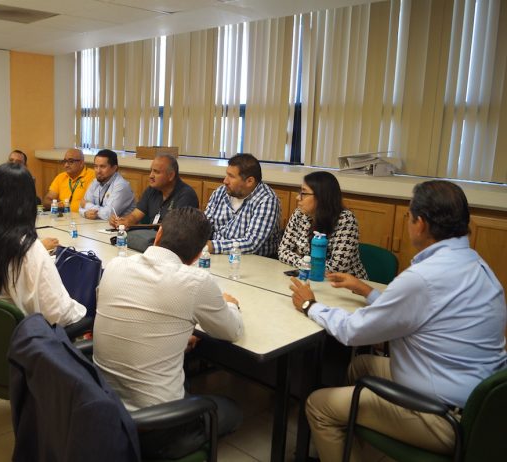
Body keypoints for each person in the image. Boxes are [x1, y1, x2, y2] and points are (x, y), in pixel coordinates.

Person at [289, 180, 507, 462]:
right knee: (360, 365)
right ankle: (352, 447)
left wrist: (310, 305)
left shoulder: (423, 277)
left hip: (444, 416)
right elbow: (420, 311)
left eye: (408, 216)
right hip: (478, 401)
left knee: (319, 406)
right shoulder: (476, 265)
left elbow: (353, 331)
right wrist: (367, 291)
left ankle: (340, 439)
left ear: (421, 224)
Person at [94, 207, 244, 459]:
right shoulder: (196, 282)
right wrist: (230, 304)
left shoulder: (116, 265)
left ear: (159, 234)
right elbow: (232, 331)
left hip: (103, 407)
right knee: (231, 411)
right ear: (198, 255)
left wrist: (175, 337)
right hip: (154, 429)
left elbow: (131, 320)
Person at [0, 162, 84, 325]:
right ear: (28, 202)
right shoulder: (28, 249)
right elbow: (57, 315)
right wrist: (81, 308)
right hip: (19, 334)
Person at [278, 171, 367, 278]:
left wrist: (303, 264)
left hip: (345, 282)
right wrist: (305, 264)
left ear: (322, 196)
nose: (298, 197)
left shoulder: (345, 219)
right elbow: (283, 251)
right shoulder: (299, 214)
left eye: (304, 194)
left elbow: (337, 267)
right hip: (310, 276)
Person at [204, 153, 280, 256]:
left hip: (253, 260)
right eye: (227, 174)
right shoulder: (221, 192)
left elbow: (251, 243)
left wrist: (211, 246)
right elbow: (205, 225)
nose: (225, 181)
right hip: (216, 255)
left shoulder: (267, 200)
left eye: (231, 176)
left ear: (249, 181)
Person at [78, 149, 135, 220]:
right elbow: (81, 207)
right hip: (98, 224)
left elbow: (109, 214)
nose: (98, 171)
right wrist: (85, 213)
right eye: (96, 166)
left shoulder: (121, 186)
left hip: (120, 226)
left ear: (114, 168)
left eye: (102, 167)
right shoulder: (95, 182)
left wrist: (87, 205)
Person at [42, 148, 94, 213]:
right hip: (64, 215)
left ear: (81, 163)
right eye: (64, 161)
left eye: (71, 161)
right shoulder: (61, 177)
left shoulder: (93, 176)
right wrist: (56, 205)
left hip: (83, 216)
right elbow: (46, 201)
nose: (66, 165)